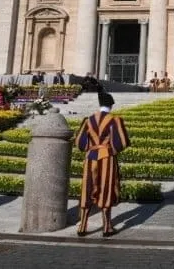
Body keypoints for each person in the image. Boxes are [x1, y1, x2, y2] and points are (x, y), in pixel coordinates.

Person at [75, 91, 130, 237]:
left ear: (100, 105)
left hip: (91, 157)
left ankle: (82, 226)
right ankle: (107, 227)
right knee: (106, 188)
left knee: (88, 188)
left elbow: (80, 142)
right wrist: (110, 148)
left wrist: (91, 148)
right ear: (111, 105)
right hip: (107, 157)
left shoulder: (88, 120)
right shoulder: (115, 120)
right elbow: (121, 142)